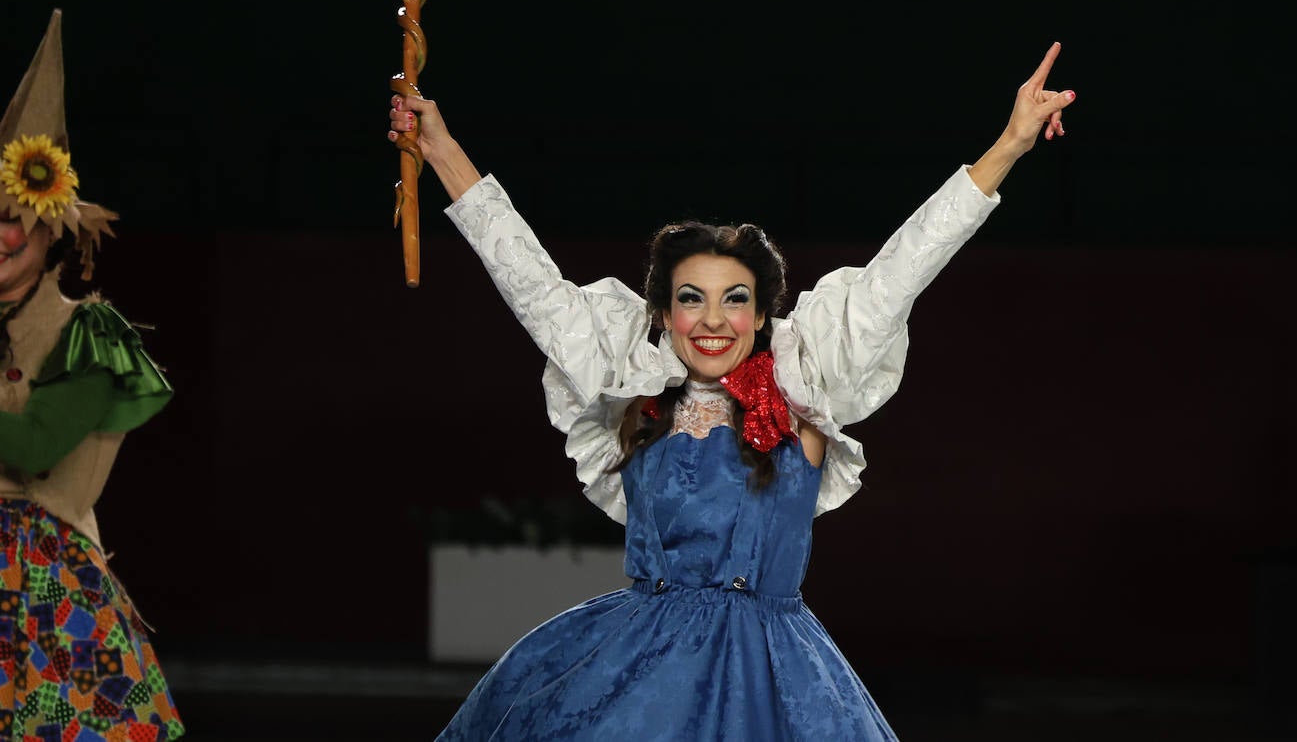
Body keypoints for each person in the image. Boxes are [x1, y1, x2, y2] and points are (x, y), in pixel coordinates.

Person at [390, 41, 1076, 741]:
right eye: (692, 298)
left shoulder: (801, 386)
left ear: (762, 313)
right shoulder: (636, 394)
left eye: (735, 299)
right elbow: (533, 287)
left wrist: (1010, 146)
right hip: (628, 674)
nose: (714, 320)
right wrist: (441, 149)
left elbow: (903, 268)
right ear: (664, 315)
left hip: (773, 685)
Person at [0, 10, 183, 740]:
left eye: (20, 217)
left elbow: (33, 447)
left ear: (54, 231)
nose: (4, 235)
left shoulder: (89, 337)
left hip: (47, 598)